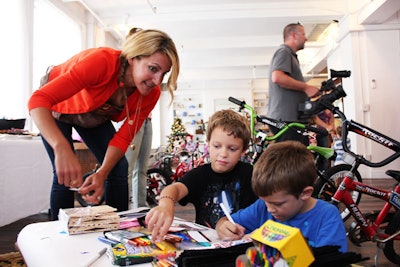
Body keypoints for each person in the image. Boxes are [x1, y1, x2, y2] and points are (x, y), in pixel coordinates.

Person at [27, 29, 180, 220]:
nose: (157, 81)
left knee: (118, 167)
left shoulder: (151, 93)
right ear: (133, 58)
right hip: (58, 106)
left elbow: (124, 137)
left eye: (163, 74)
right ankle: (56, 234)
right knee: (65, 177)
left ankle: (119, 231)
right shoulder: (101, 62)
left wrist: (101, 173)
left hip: (93, 112)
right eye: (153, 69)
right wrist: (61, 147)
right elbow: (38, 101)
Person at [146, 109, 258, 242]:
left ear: (244, 150)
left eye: (232, 149)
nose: (223, 153)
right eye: (217, 146)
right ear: (208, 144)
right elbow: (175, 189)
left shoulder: (251, 174)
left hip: (244, 244)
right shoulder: (199, 175)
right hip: (207, 245)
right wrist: (166, 204)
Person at [216, 141, 348, 253]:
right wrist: (223, 226)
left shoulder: (327, 216)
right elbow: (226, 221)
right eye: (265, 201)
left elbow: (333, 260)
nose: (269, 209)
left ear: (305, 193)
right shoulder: (263, 206)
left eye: (278, 204)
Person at [266, 23, 320, 146]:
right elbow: (277, 77)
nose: (306, 38)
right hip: (285, 119)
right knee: (293, 159)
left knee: (296, 157)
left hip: (290, 119)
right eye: (303, 34)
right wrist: (305, 87)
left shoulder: (290, 55)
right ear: (293, 35)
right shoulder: (284, 52)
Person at [125, 114, 152, 209]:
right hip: (132, 116)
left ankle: (141, 208)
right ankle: (123, 208)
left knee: (142, 170)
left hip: (147, 119)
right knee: (127, 170)